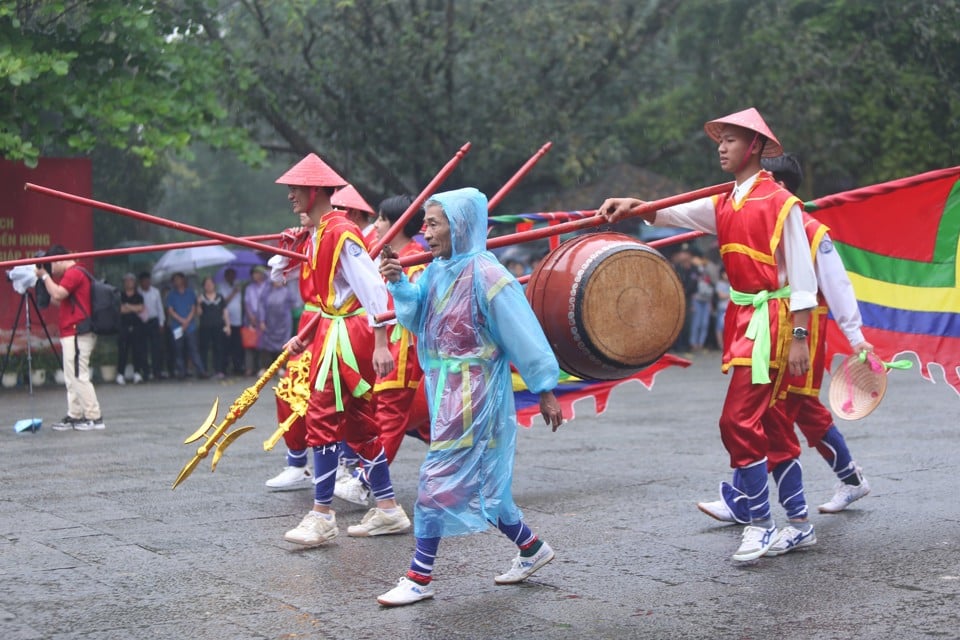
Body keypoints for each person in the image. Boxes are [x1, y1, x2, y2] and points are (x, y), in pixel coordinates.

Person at [598, 107, 819, 562]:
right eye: (720, 140)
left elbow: (803, 279)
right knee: (771, 422)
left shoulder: (781, 204)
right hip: (742, 320)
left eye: (732, 140)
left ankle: (759, 523)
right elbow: (671, 212)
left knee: (737, 421)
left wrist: (799, 336)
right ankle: (798, 523)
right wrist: (632, 205)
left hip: (773, 323)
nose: (722, 146)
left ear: (755, 147)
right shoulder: (725, 201)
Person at [377, 187, 564, 607]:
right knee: (487, 484)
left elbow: (524, 335)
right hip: (444, 388)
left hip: (476, 395)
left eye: (433, 222)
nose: (425, 232)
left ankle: (418, 577)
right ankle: (532, 549)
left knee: (434, 480)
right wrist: (397, 283)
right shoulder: (435, 270)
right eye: (425, 223)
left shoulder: (488, 275)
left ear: (459, 226)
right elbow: (414, 318)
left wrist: (545, 388)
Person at [697, 153, 874, 553]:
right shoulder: (748, 214)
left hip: (799, 332)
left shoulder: (809, 229)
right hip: (769, 330)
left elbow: (837, 284)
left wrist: (855, 335)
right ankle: (838, 482)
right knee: (784, 415)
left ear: (774, 181)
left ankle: (773, 510)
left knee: (780, 415)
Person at [270, 153, 410, 544]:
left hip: (349, 335)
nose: (290, 196)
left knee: (322, 417)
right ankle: (387, 509)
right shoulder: (320, 232)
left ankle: (321, 515)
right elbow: (333, 298)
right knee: (360, 424)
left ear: (315, 190)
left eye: (295, 189)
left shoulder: (341, 232)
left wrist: (382, 341)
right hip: (336, 330)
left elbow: (373, 289)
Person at [335, 194, 429, 506]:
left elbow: (413, 309)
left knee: (389, 416)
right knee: (409, 419)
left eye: (382, 219)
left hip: (401, 352)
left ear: (398, 225)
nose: (376, 225)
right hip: (383, 347)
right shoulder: (382, 257)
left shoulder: (416, 260)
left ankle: (364, 480)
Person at [34, 245, 105, 430]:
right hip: (73, 332)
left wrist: (44, 276)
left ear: (58, 260)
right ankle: (75, 414)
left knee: (79, 376)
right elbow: (60, 300)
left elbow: (58, 293)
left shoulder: (73, 273)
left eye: (51, 265)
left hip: (77, 332)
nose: (51, 269)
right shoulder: (73, 274)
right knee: (71, 376)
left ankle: (94, 417)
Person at [166, 272, 207, 379]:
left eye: (179, 279)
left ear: (183, 280)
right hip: (177, 326)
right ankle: (181, 372)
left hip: (190, 326)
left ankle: (200, 371)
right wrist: (181, 320)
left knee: (193, 349)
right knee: (178, 349)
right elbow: (170, 310)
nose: (177, 281)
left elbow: (193, 308)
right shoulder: (171, 294)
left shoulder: (190, 293)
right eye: (175, 280)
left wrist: (187, 321)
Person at [257, 277, 297, 366]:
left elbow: (294, 303)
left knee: (284, 344)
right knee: (266, 345)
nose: (278, 282)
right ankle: (265, 366)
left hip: (283, 323)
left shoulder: (287, 291)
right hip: (269, 322)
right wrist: (262, 320)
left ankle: (282, 367)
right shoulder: (266, 292)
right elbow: (261, 306)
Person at [197, 276, 230, 379]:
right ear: (204, 286)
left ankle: (219, 370)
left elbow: (225, 312)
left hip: (218, 326)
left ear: (214, 285)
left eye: (210, 283)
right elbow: (199, 313)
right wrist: (198, 304)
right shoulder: (201, 298)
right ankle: (204, 371)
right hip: (205, 327)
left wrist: (228, 325)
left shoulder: (220, 297)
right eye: (206, 284)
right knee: (204, 349)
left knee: (219, 348)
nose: (209, 286)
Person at [116, 273, 146, 384]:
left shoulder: (139, 296)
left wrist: (128, 306)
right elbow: (120, 309)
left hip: (136, 327)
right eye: (127, 281)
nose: (129, 283)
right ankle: (120, 374)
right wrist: (133, 308)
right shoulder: (120, 295)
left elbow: (141, 308)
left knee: (137, 351)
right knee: (123, 351)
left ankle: (137, 373)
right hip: (123, 327)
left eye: (131, 281)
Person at [138, 272, 167, 380]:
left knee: (156, 348)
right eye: (144, 281)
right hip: (142, 323)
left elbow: (160, 308)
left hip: (154, 321)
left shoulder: (155, 292)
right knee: (143, 348)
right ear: (140, 282)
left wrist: (161, 323)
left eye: (148, 281)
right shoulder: (138, 292)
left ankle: (157, 371)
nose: (146, 283)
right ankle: (146, 372)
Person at [243, 265, 269, 376]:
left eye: (258, 273)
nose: (256, 275)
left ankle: (262, 367)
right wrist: (251, 317)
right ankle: (249, 368)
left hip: (264, 318)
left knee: (263, 343)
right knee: (249, 343)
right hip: (251, 318)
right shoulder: (249, 288)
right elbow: (247, 303)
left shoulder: (267, 287)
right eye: (254, 273)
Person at [218, 267, 244, 376]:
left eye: (233, 275)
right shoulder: (222, 287)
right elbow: (224, 302)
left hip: (238, 320)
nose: (231, 277)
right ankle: (224, 368)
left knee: (237, 346)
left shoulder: (237, 286)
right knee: (226, 346)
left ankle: (237, 368)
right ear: (226, 276)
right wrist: (233, 292)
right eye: (229, 275)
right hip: (227, 321)